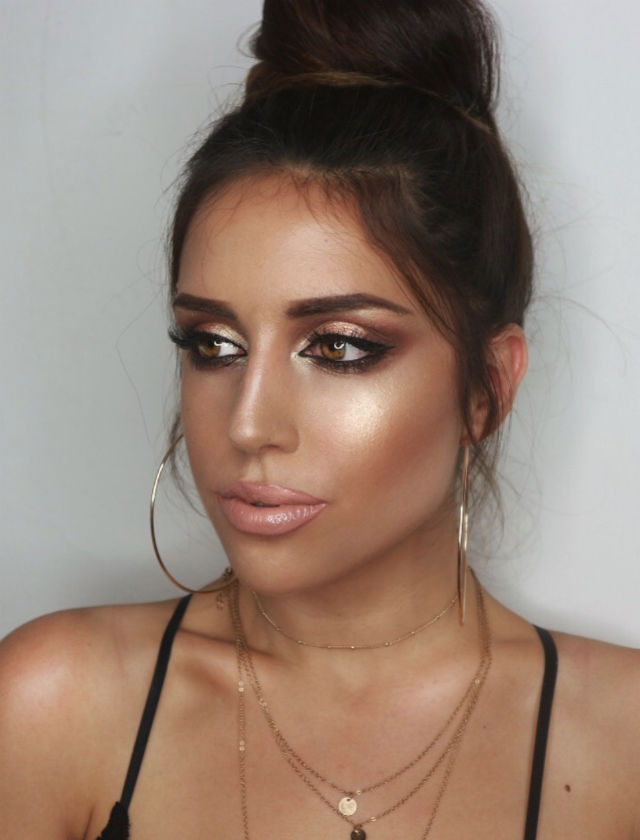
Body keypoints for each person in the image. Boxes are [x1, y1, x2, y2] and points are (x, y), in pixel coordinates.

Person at [1, 1, 639, 838]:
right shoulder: (53, 706)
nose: (248, 424)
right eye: (213, 344)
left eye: (339, 348)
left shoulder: (623, 746)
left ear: (487, 386)